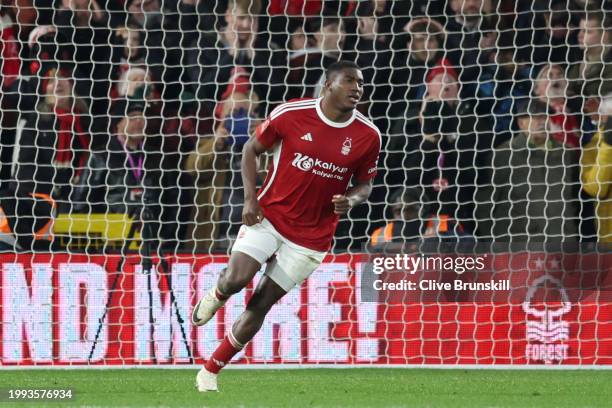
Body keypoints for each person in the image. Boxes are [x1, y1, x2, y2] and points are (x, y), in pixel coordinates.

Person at [191, 61, 381, 392]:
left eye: (361, 83)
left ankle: (210, 370)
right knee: (237, 279)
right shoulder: (291, 114)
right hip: (270, 216)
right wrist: (250, 200)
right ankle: (218, 294)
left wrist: (350, 200)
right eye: (349, 81)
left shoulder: (368, 135)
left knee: (261, 303)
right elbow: (251, 149)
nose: (357, 88)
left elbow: (365, 184)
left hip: (312, 237)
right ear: (328, 85)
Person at [476, 99, 580, 241]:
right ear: (520, 123)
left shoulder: (566, 153)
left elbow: (574, 199)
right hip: (519, 247)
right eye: (534, 117)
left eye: (544, 117)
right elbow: (484, 205)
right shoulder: (503, 155)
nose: (542, 121)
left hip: (561, 244)